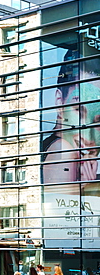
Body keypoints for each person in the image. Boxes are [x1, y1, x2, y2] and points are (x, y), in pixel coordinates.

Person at [42, 52, 100, 186]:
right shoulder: (63, 152)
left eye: (99, 120)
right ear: (59, 102)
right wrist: (87, 188)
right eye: (79, 111)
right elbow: (63, 205)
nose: (88, 136)